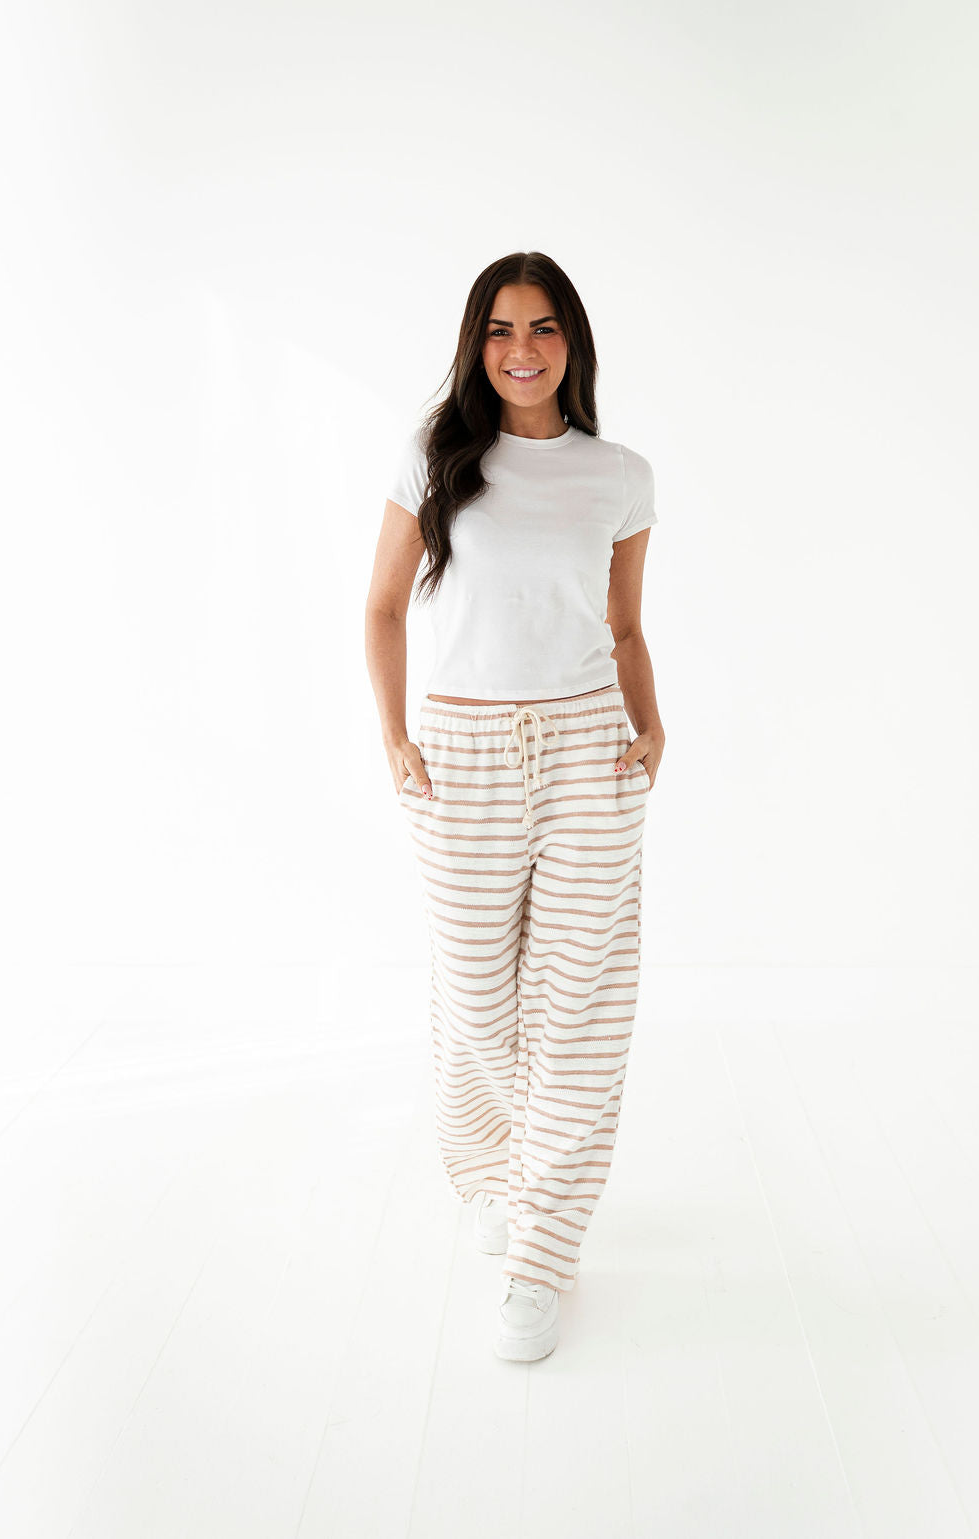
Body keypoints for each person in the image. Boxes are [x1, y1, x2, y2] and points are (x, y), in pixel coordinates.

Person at [365, 250, 664, 1363]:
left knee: (581, 1005)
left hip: (590, 749)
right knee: (478, 998)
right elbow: (383, 607)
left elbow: (624, 626)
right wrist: (395, 735)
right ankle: (491, 1169)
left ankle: (541, 1248)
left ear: (571, 342)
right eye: (500, 329)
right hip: (463, 752)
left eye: (543, 328)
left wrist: (652, 725)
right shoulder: (435, 457)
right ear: (476, 343)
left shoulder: (619, 475)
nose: (522, 349)